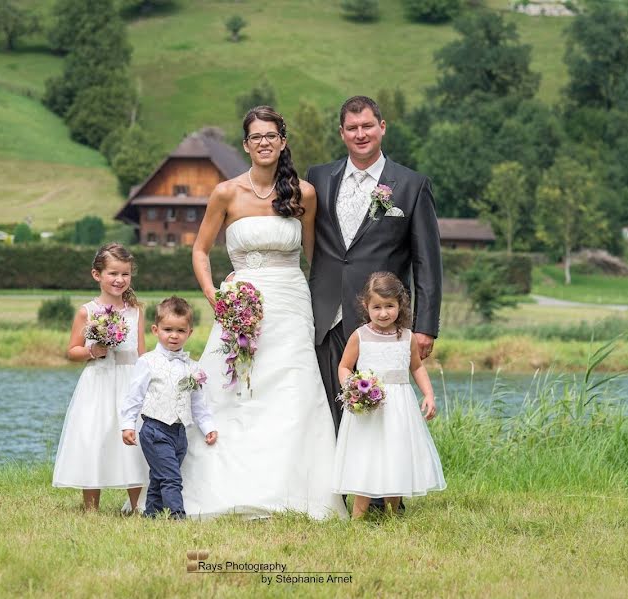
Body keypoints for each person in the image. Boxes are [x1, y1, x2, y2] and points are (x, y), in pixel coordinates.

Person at [184, 106, 348, 520]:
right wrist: (215, 298)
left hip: (291, 303)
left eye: (271, 136)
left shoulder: (304, 194)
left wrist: (334, 303)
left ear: (283, 141)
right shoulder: (225, 193)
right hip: (239, 303)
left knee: (292, 392)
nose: (264, 143)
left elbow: (315, 257)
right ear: (245, 144)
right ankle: (222, 489)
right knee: (233, 391)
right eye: (256, 136)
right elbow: (200, 250)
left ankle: (292, 494)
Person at [306, 95, 443, 436]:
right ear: (342, 133)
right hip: (325, 316)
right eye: (352, 128)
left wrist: (425, 327)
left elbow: (428, 262)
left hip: (381, 320)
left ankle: (379, 490)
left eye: (367, 126)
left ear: (382, 127)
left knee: (381, 415)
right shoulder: (318, 178)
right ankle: (337, 490)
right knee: (329, 411)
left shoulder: (412, 185)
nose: (360, 134)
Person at [332, 272, 446, 518]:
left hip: (398, 409)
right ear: (366, 306)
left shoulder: (406, 337)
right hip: (368, 410)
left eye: (389, 306)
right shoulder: (359, 336)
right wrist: (351, 387)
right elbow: (344, 366)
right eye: (377, 307)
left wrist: (428, 395)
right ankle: (358, 516)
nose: (383, 313)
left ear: (400, 305)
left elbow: (416, 367)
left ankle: (392, 514)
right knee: (366, 456)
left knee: (396, 456)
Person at [52, 243, 147, 511]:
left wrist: (147, 383)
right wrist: (93, 350)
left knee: (132, 438)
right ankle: (91, 507)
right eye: (113, 274)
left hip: (128, 381)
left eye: (125, 274)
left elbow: (141, 352)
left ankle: (137, 505)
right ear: (97, 275)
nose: (119, 280)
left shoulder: (135, 311)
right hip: (99, 381)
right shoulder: (88, 311)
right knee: (93, 437)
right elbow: (72, 351)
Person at [120, 297, 217, 519]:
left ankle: (151, 514)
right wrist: (127, 425)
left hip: (179, 433)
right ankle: (177, 516)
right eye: (168, 329)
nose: (174, 335)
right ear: (156, 330)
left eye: (180, 330)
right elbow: (133, 396)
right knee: (172, 477)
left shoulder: (193, 367)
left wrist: (208, 426)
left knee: (160, 475)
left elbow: (198, 403)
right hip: (155, 430)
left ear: (189, 333)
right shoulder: (147, 361)